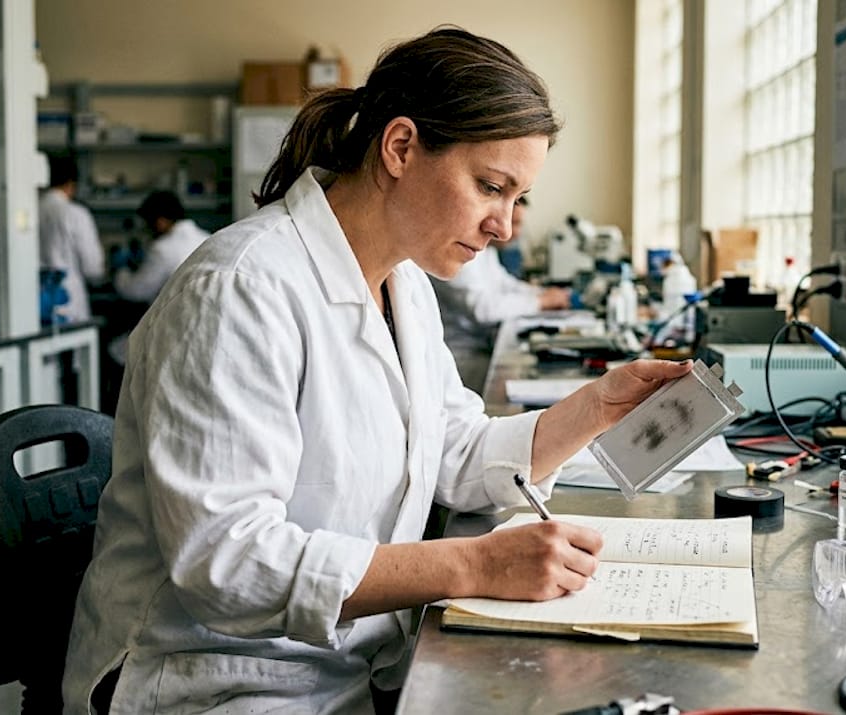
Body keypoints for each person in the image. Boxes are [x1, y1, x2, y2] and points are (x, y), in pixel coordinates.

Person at [63, 27, 691, 715]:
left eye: (516, 199)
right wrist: (474, 564)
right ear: (400, 148)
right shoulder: (242, 288)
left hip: (336, 669)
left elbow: (455, 451)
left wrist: (597, 405)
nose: (504, 226)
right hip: (208, 680)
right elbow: (226, 559)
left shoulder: (404, 285)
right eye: (491, 187)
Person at [432, 194, 571, 391]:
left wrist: (544, 294)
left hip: (482, 349)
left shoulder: (486, 252)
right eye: (513, 223)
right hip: (463, 361)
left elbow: (505, 284)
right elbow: (482, 308)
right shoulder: (456, 253)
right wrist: (540, 301)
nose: (512, 232)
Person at [112, 190, 210, 303]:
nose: (148, 231)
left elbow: (137, 291)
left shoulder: (162, 249)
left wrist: (121, 271)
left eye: (148, 225)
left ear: (161, 222)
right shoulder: (206, 238)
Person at [39, 155, 104, 323]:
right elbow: (93, 268)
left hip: (32, 304)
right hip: (69, 304)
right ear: (72, 183)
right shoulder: (75, 213)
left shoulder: (26, 210)